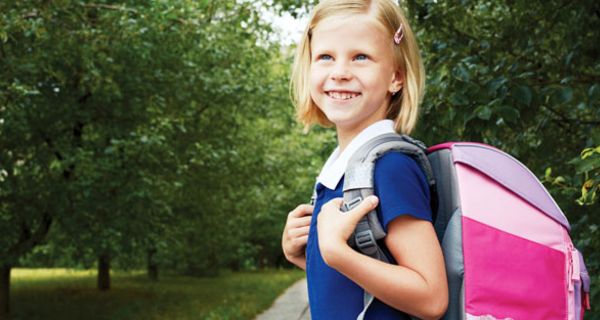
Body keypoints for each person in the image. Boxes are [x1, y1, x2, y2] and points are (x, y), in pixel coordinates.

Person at [281, 0, 448, 319]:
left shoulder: (390, 166)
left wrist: (336, 252)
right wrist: (303, 254)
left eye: (361, 57)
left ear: (396, 77)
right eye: (325, 57)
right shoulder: (342, 166)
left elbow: (431, 297)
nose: (340, 73)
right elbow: (357, 285)